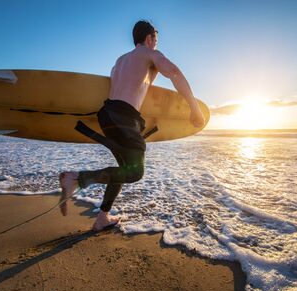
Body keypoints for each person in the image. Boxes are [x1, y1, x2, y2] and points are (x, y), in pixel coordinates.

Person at [59, 20, 205, 232]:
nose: (156, 45)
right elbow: (173, 71)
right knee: (135, 172)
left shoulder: (119, 61)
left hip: (107, 116)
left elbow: (126, 89)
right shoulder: (150, 54)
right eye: (156, 40)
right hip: (124, 118)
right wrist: (194, 107)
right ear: (149, 38)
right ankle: (76, 178)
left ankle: (102, 217)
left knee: (123, 169)